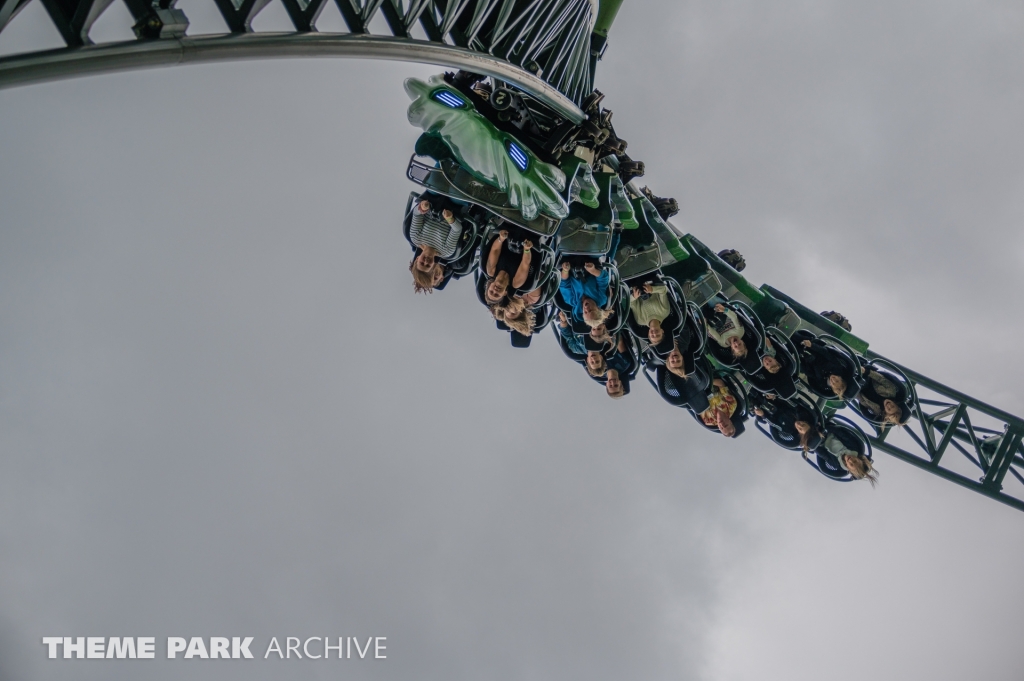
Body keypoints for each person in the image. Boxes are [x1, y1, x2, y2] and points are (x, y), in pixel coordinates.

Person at [409, 197, 463, 294]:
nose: (426, 261)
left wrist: (422, 207)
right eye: (428, 265)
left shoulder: (415, 238)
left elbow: (416, 215)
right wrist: (450, 219)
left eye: (422, 263)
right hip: (454, 208)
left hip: (433, 200)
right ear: (433, 265)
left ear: (417, 258)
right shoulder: (446, 252)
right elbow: (457, 230)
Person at [793, 330, 859, 400]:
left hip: (805, 360)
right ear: (841, 378)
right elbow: (825, 352)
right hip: (815, 349)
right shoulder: (837, 367)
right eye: (837, 381)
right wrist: (811, 345)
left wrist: (800, 364)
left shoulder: (823, 383)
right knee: (795, 336)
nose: (833, 380)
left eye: (833, 384)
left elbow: (811, 374)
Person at [483, 228, 538, 305]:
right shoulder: (516, 283)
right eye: (497, 295)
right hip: (530, 241)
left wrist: (500, 239)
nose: (495, 291)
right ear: (505, 293)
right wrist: (526, 249)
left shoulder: (491, 270)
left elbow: (495, 250)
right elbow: (525, 263)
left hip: (510, 232)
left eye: (491, 291)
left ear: (489, 285)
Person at [751, 393, 822, 452]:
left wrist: (763, 415)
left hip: (770, 413)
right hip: (778, 400)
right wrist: (775, 397)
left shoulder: (789, 430)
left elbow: (774, 424)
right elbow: (791, 402)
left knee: (756, 410)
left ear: (799, 433)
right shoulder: (801, 414)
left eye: (800, 429)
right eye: (803, 424)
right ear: (807, 422)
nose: (799, 425)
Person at [704, 303, 761, 372]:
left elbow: (714, 334)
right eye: (739, 344)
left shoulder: (724, 343)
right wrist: (724, 310)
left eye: (735, 346)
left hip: (711, 321)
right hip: (723, 311)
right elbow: (734, 317)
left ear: (732, 348)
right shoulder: (740, 332)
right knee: (713, 300)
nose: (736, 343)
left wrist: (705, 324)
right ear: (742, 342)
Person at [559, 260, 611, 327]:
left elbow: (563, 283)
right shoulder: (601, 299)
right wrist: (593, 270)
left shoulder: (572, 301)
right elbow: (603, 279)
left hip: (570, 267)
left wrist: (565, 270)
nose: (586, 308)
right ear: (598, 308)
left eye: (585, 312)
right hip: (591, 264)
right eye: (591, 310)